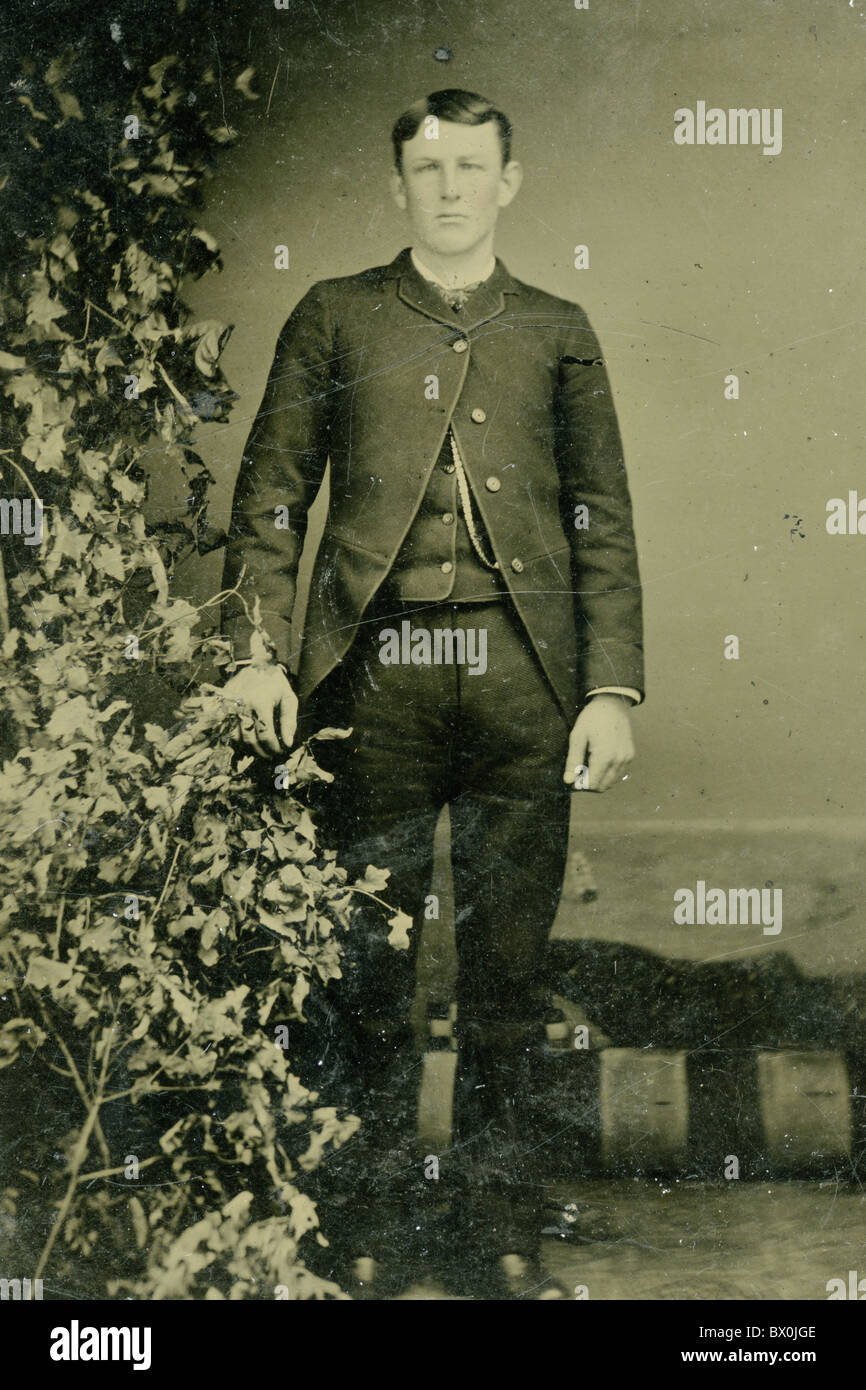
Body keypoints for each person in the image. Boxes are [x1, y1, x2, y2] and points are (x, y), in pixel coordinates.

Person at [221, 88, 644, 1300]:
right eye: (427, 168)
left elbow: (599, 518)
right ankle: (362, 1227)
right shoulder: (334, 315)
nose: (450, 187)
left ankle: (499, 1228)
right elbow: (268, 494)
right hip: (374, 681)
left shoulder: (558, 327)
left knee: (509, 973)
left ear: (509, 182)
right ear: (397, 184)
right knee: (363, 967)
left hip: (522, 681)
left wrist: (608, 688)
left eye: (471, 166)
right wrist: (257, 654)